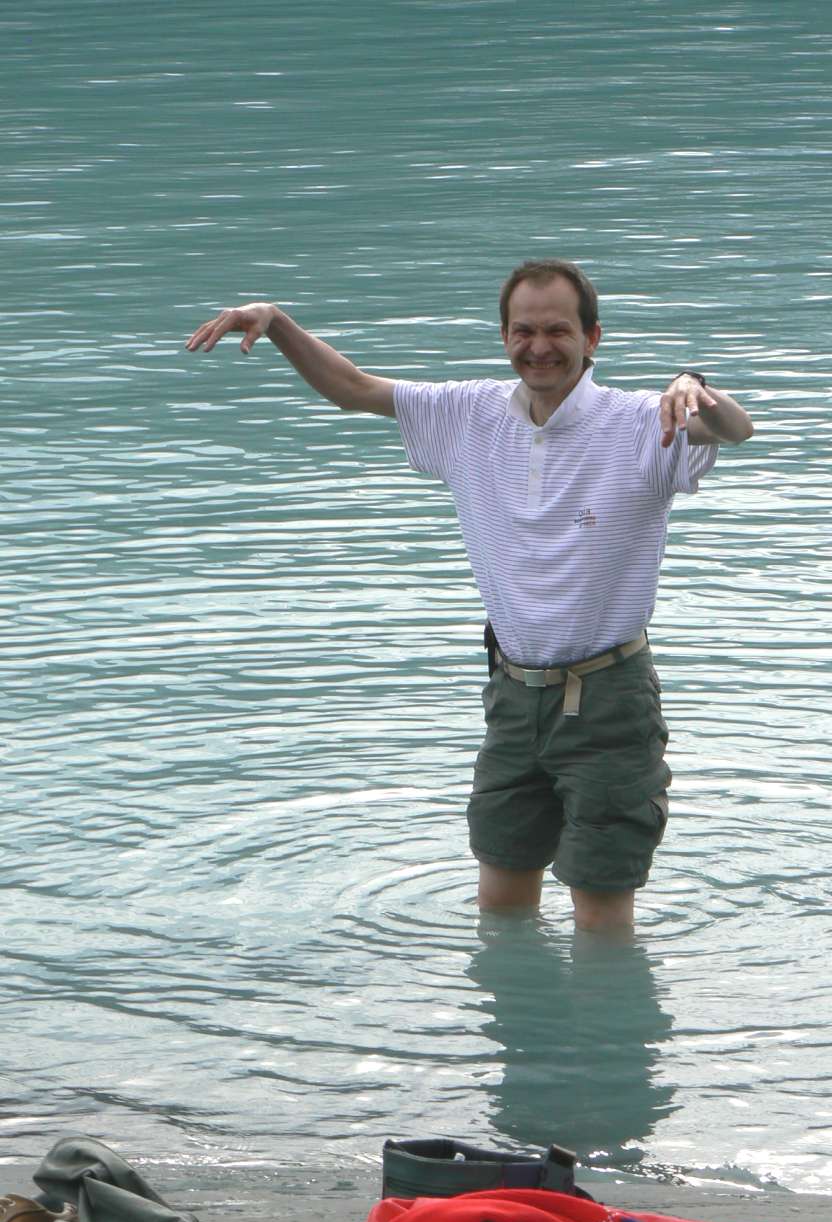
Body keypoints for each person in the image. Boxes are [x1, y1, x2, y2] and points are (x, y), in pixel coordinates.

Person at [186, 259, 753, 930]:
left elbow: (733, 431)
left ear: (591, 338)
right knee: (499, 905)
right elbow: (352, 389)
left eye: (557, 330)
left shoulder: (642, 422)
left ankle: (603, 1003)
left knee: (602, 914)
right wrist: (277, 323)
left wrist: (695, 387)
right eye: (523, 331)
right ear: (504, 336)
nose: (538, 347)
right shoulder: (469, 413)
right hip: (512, 698)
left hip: (608, 702)